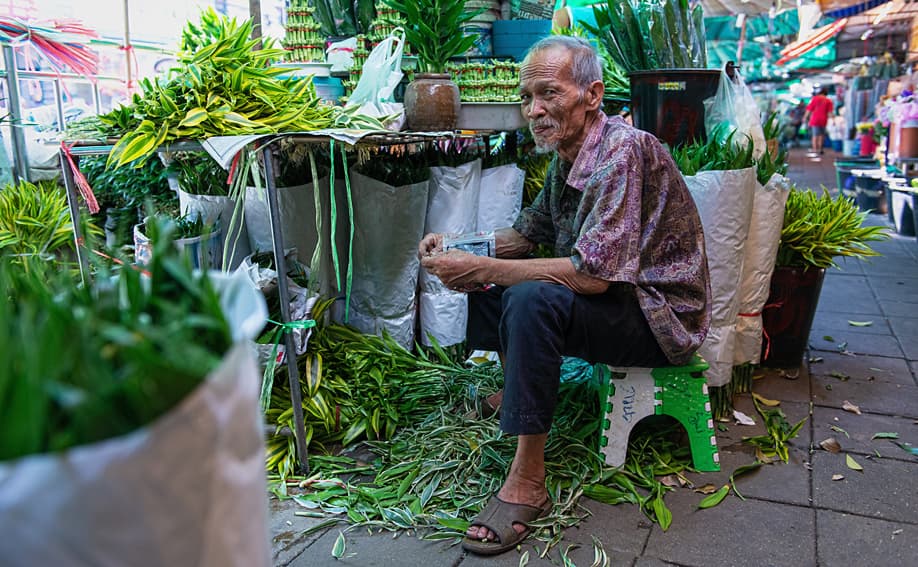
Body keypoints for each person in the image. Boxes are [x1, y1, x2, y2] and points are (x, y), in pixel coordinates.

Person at [418, 35, 711, 556]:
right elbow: (525, 236)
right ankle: (518, 392)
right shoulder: (568, 154)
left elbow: (594, 277)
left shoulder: (621, 152)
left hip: (660, 317)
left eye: (548, 94)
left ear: (592, 94)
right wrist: (461, 248)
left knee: (531, 297)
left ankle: (528, 480)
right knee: (496, 278)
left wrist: (488, 265)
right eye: (527, 97)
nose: (534, 110)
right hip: (621, 297)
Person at [804, 87, 834, 155]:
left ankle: (815, 150)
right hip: (823, 119)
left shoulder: (815, 99)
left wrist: (805, 117)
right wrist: (833, 119)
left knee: (815, 135)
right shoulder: (828, 100)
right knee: (821, 135)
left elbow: (809, 109)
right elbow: (830, 112)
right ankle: (820, 149)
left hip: (815, 119)